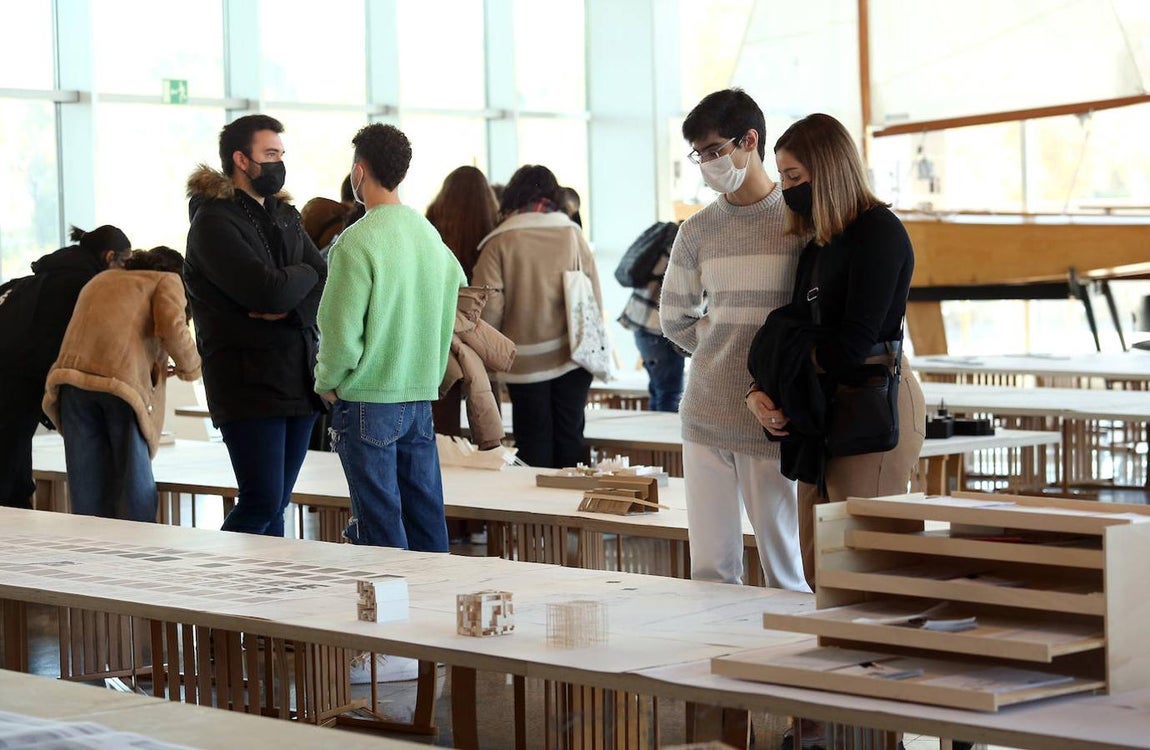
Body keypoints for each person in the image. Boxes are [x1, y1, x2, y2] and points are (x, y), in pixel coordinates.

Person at [749, 112, 926, 590]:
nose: (785, 189)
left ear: (826, 171)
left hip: (872, 401)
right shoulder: (818, 246)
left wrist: (786, 354)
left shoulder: (878, 232)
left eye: (794, 177)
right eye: (783, 176)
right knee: (820, 565)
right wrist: (760, 388)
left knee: (862, 564)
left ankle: (879, 662)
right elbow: (795, 332)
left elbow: (850, 343)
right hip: (822, 406)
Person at [659, 88, 809, 591]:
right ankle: (711, 667)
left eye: (714, 150)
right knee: (710, 571)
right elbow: (674, 318)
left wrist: (773, 376)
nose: (706, 164)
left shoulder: (801, 222)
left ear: (750, 141)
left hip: (776, 418)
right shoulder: (697, 231)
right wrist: (720, 345)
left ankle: (791, 668)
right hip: (705, 413)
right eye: (699, 154)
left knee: (787, 569)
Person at [315, 123, 466, 552]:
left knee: (379, 523)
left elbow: (340, 331)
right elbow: (458, 287)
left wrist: (328, 382)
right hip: (419, 395)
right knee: (425, 515)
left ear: (359, 172)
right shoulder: (428, 235)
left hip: (367, 399)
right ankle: (434, 607)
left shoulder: (356, 242)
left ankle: (392, 616)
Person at [184, 114, 327, 537]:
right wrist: (299, 279)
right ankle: (223, 593)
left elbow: (324, 280)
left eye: (281, 154)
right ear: (241, 160)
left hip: (298, 379)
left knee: (277, 504)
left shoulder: (286, 214)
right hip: (247, 382)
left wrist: (292, 303)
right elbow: (265, 292)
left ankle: (267, 596)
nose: (278, 162)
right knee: (261, 500)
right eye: (269, 154)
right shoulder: (214, 222)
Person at [42, 247, 201, 522]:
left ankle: (94, 557)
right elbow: (173, 327)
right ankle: (138, 557)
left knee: (87, 487)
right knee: (133, 485)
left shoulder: (102, 279)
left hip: (71, 383)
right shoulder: (166, 281)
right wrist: (192, 368)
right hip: (120, 386)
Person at [472, 165, 603, 469]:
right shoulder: (572, 234)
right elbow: (593, 293)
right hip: (573, 354)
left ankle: (539, 516)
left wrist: (486, 359)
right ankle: (572, 513)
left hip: (524, 362)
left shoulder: (499, 242)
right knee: (571, 438)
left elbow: (488, 308)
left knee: (533, 442)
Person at [0, 225, 131, 509]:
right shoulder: (81, 286)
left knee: (13, 469)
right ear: (110, 257)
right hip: (14, 386)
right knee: (10, 479)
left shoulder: (33, 281)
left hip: (12, 381)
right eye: (127, 263)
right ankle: (15, 546)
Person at [425, 165, 501, 437]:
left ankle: (446, 461)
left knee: (443, 409)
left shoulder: (431, 225)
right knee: (485, 396)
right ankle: (489, 455)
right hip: (477, 327)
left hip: (440, 328)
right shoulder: (494, 230)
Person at [617, 222, 686, 412]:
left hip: (642, 325)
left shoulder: (665, 241)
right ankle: (661, 441)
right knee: (670, 393)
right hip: (658, 329)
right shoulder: (682, 247)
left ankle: (653, 440)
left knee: (659, 389)